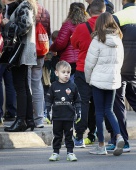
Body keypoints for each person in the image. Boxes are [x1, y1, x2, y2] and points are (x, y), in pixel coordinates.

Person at [84, 12, 124, 156]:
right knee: (110, 110)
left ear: (99, 24)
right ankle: (118, 136)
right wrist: (114, 75)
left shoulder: (97, 40)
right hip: (113, 80)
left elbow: (89, 64)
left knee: (99, 112)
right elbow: (120, 62)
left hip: (98, 81)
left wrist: (89, 80)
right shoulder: (118, 40)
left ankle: (101, 145)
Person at [71, 0, 106, 148]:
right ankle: (95, 134)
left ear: (89, 11)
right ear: (104, 11)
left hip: (83, 69)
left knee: (83, 103)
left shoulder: (81, 27)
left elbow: (74, 44)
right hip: (102, 70)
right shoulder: (109, 26)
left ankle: (79, 136)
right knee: (100, 104)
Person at [106, 0, 136, 153]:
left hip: (121, 67)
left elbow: (111, 42)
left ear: (124, 1)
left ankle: (124, 142)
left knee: (118, 104)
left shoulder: (117, 17)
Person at [3, 0, 37, 132]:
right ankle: (28, 120)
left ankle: (21, 120)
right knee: (23, 86)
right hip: (24, 49)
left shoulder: (25, 5)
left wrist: (8, 24)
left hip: (21, 50)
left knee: (20, 87)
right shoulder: (26, 5)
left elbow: (24, 27)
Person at [46, 61, 81, 161]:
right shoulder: (53, 86)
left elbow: (78, 101)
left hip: (69, 117)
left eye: (68, 72)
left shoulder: (73, 86)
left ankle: (70, 153)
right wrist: (48, 112)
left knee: (69, 136)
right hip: (57, 117)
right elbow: (48, 100)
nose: (66, 74)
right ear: (57, 73)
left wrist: (78, 113)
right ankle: (55, 153)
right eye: (63, 72)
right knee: (57, 136)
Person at [50, 2, 88, 83]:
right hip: (85, 59)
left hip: (70, 61)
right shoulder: (88, 24)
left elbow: (60, 43)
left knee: (68, 85)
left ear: (70, 11)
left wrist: (52, 48)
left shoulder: (68, 24)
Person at [28, 0, 51, 128]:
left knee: (26, 85)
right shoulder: (45, 12)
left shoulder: (25, 8)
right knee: (37, 84)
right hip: (40, 51)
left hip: (27, 51)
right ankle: (39, 119)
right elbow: (48, 33)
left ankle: (28, 116)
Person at [0, 0, 17, 121]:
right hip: (12, 49)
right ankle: (11, 111)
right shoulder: (18, 8)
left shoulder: (1, 10)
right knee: (9, 82)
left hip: (3, 48)